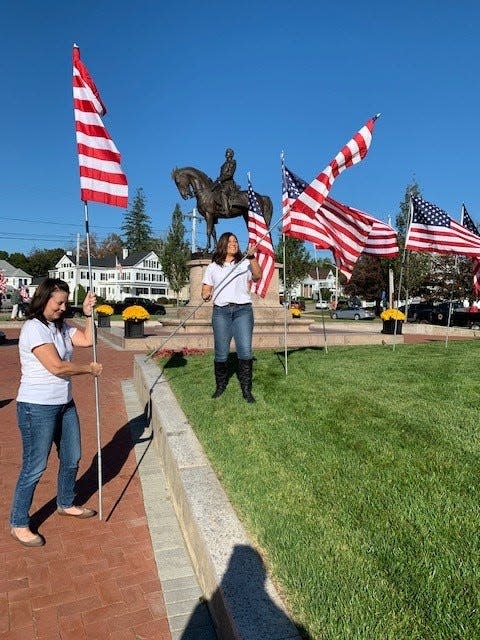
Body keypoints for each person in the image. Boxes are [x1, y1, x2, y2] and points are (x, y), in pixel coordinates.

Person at [9, 278, 102, 547]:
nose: (62, 307)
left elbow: (87, 340)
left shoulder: (61, 327)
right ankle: (18, 522)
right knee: (35, 466)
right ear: (44, 299)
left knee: (72, 456)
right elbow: (57, 367)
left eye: (65, 302)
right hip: (36, 407)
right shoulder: (34, 328)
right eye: (58, 302)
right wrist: (89, 370)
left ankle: (65, 502)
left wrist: (88, 314)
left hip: (64, 404)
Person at [201, 232, 262, 403]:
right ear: (222, 244)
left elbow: (257, 276)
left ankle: (246, 390)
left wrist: (252, 258)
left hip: (243, 311)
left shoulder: (244, 263)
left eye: (236, 241)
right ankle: (220, 386)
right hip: (221, 312)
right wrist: (206, 294)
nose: (234, 244)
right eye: (230, 241)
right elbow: (206, 289)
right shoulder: (213, 266)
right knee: (221, 354)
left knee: (245, 351)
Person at [213, 148, 238, 214]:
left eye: (228, 152)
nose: (227, 153)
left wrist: (220, 179)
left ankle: (226, 210)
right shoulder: (224, 164)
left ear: (231, 154)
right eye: (226, 152)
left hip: (228, 183)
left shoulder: (232, 162)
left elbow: (229, 174)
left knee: (223, 193)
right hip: (222, 182)